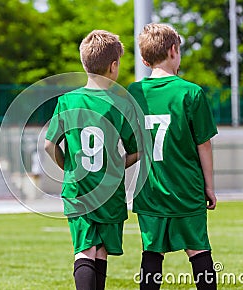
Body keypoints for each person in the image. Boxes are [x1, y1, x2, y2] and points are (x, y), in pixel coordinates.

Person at [45, 30, 141, 290]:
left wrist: (68, 168)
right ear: (113, 66)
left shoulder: (67, 101)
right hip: (108, 190)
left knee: (85, 250)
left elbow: (48, 144)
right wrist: (116, 165)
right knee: (100, 252)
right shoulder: (121, 103)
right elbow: (137, 150)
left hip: (78, 189)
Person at [127, 23, 218, 289]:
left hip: (150, 190)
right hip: (186, 189)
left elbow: (131, 143)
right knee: (199, 251)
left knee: (152, 254)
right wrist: (209, 187)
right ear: (174, 50)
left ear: (144, 59)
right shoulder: (191, 92)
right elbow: (204, 144)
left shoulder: (133, 92)